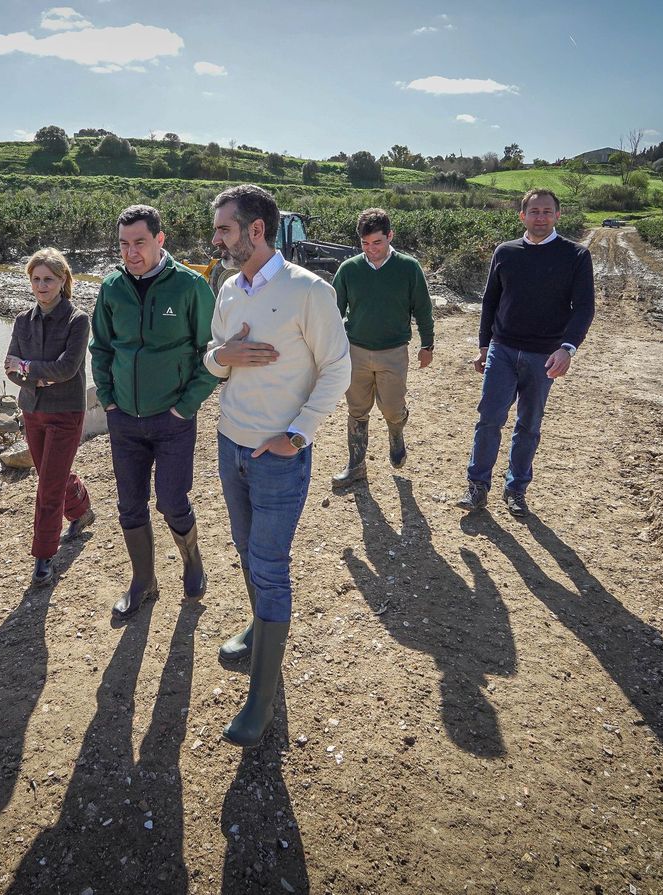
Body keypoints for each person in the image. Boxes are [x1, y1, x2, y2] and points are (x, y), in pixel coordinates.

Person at [204, 184, 350, 747]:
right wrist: (224, 357)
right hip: (229, 443)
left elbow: (337, 366)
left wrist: (298, 433)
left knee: (268, 562)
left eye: (223, 229)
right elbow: (213, 358)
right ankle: (257, 628)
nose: (216, 238)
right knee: (246, 551)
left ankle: (262, 703)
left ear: (255, 230)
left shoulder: (309, 291)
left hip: (278, 456)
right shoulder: (228, 290)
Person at [89, 204, 220, 618]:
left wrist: (187, 406)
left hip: (172, 419)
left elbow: (212, 353)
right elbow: (102, 348)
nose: (131, 252)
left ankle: (191, 558)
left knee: (172, 501)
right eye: (124, 244)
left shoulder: (189, 287)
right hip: (124, 419)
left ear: (160, 240)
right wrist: (108, 400)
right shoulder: (111, 288)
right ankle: (143, 581)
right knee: (129, 505)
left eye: (140, 242)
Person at [459, 188, 595, 517]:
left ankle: (516, 489)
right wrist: (483, 345)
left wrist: (567, 349)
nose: (541, 218)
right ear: (522, 216)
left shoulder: (575, 256)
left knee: (529, 425)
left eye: (547, 212)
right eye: (534, 212)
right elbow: (490, 301)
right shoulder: (505, 252)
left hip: (543, 356)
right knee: (489, 419)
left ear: (557, 216)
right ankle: (477, 486)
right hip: (502, 350)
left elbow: (584, 308)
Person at [5, 247, 95, 585]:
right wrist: (38, 376)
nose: (42, 286)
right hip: (32, 410)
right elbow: (9, 368)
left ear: (62, 281)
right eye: (37, 279)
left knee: (47, 485)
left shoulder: (77, 320)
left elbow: (68, 368)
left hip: (66, 412)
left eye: (49, 279)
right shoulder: (22, 321)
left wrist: (29, 369)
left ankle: (43, 556)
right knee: (49, 473)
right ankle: (81, 508)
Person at [330, 207, 434, 487]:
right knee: (357, 409)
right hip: (356, 351)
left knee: (391, 407)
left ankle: (396, 429)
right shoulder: (349, 269)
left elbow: (423, 308)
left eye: (377, 242)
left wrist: (428, 344)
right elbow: (332, 311)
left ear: (390, 236)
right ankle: (356, 466)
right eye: (365, 244)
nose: (371, 249)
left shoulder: (408, 267)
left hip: (393, 352)